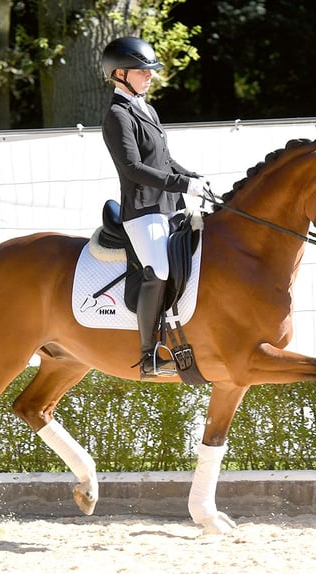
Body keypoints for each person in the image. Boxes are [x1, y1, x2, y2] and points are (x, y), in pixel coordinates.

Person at [100, 36, 207, 379]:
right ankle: (148, 356)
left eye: (149, 71)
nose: (149, 76)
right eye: (142, 71)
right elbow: (133, 168)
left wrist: (192, 177)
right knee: (159, 269)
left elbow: (163, 160)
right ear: (119, 74)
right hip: (143, 211)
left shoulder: (147, 109)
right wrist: (181, 184)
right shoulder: (117, 116)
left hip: (167, 206)